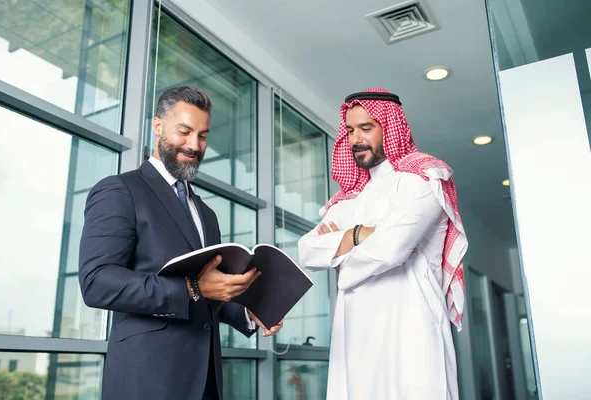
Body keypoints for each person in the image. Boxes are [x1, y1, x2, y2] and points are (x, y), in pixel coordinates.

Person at [79, 86, 282, 400]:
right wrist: (192, 287)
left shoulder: (206, 213)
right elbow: (97, 282)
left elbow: (209, 292)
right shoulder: (120, 190)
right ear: (158, 126)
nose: (194, 145)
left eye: (202, 136)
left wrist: (246, 312)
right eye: (184, 131)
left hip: (205, 379)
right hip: (147, 379)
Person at [298, 88, 468, 399]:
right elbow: (307, 250)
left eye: (366, 127)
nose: (355, 139)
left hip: (410, 324)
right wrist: (358, 234)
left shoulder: (423, 180)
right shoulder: (348, 197)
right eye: (350, 130)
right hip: (354, 332)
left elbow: (389, 250)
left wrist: (340, 259)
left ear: (389, 127)